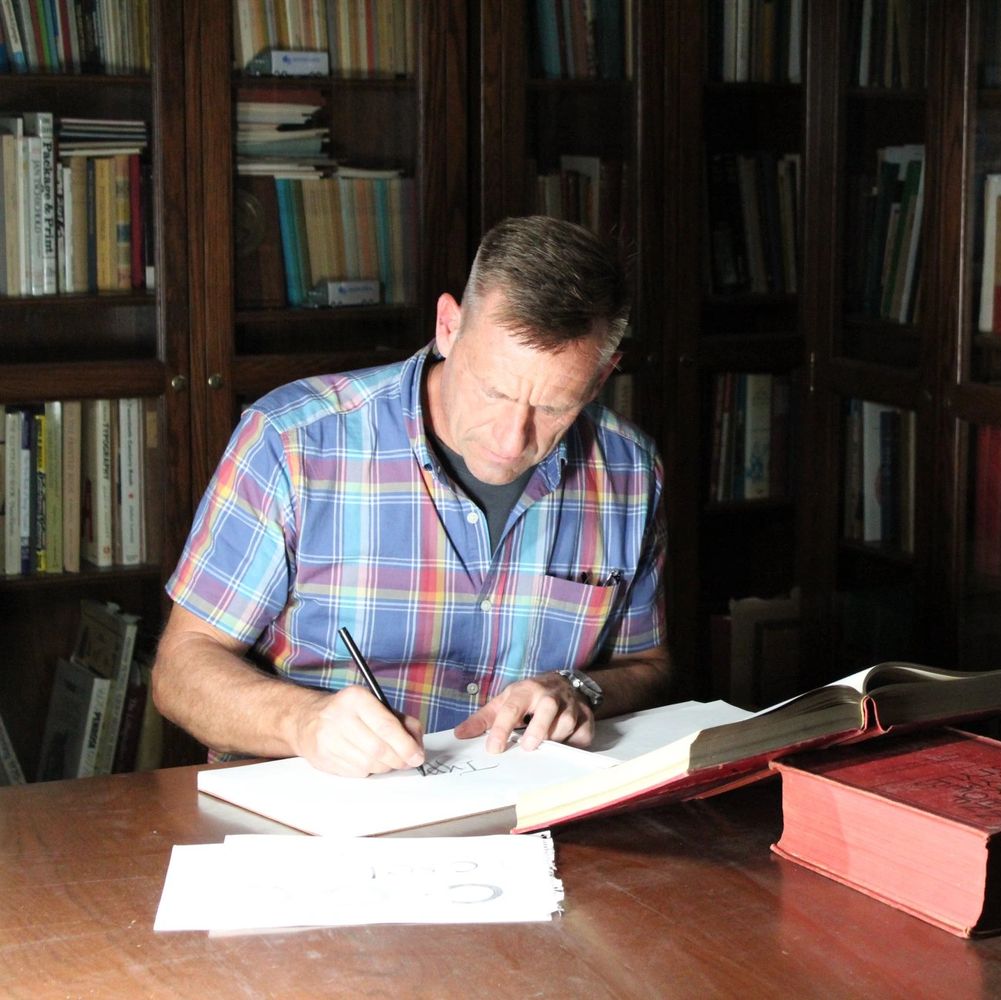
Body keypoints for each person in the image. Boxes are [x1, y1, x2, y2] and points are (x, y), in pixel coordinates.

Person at [153, 216, 670, 777]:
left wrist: (577, 688)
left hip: (528, 812)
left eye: (553, 408)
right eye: (492, 391)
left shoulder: (629, 470)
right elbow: (180, 670)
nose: (510, 439)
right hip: (323, 818)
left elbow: (648, 664)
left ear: (600, 379)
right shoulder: (293, 441)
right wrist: (302, 721)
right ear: (448, 326)